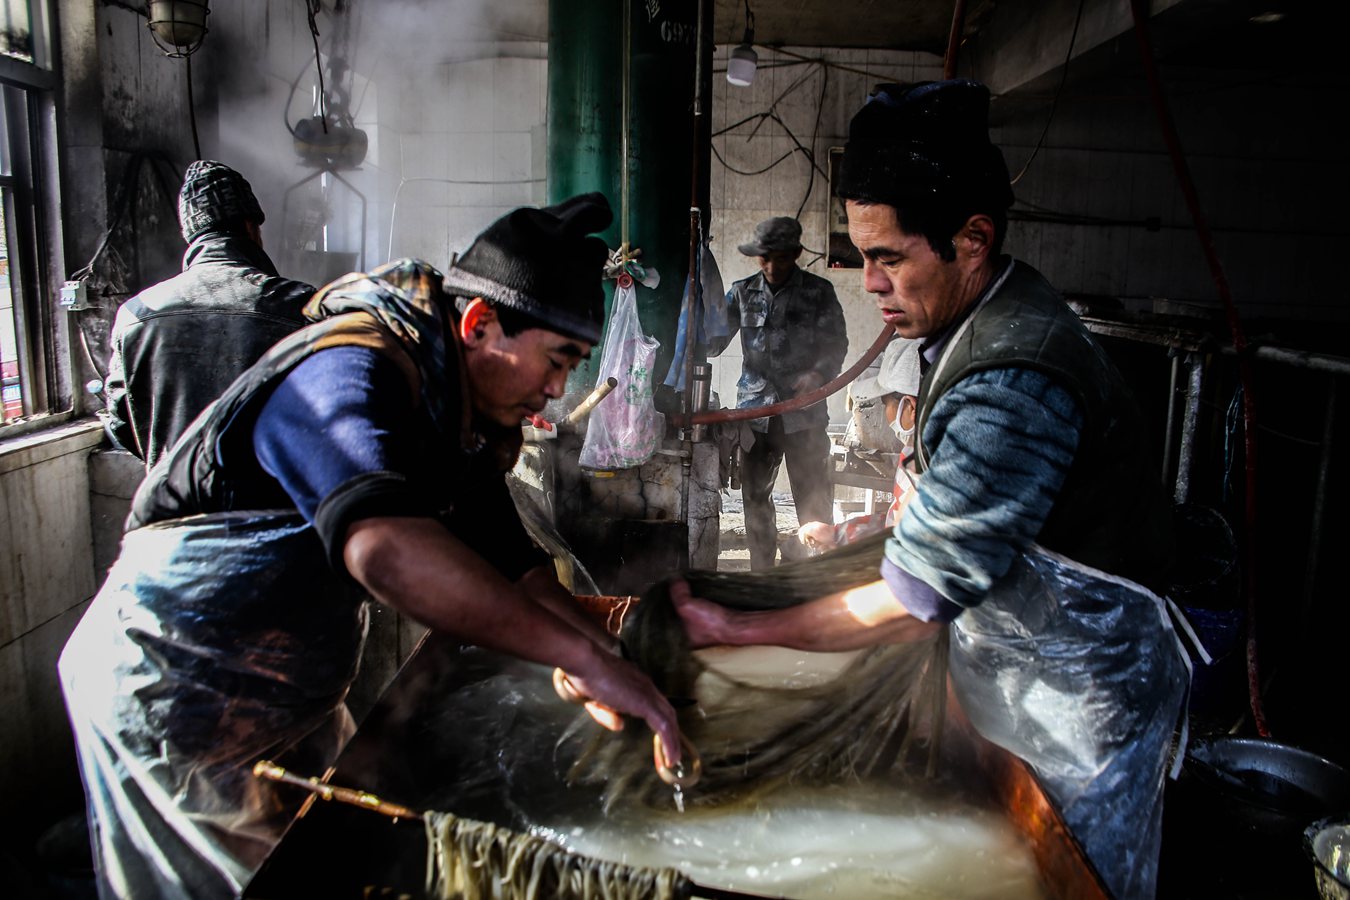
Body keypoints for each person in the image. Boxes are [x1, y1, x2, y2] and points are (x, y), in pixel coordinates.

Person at [60, 194, 683, 900]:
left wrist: (618, 665)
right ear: (479, 324)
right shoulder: (349, 372)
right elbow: (382, 548)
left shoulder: (456, 416)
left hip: (290, 697)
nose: (557, 389)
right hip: (174, 694)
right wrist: (574, 656)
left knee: (338, 866)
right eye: (556, 360)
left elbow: (523, 574)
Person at [675, 80, 1186, 899]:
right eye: (860, 253)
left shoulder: (1014, 375)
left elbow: (917, 597)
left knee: (1068, 876)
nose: (870, 282)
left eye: (888, 257)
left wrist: (735, 626)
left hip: (1078, 707)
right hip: (1014, 668)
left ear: (972, 238)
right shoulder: (978, 320)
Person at [104, 159, 316, 468]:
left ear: (191, 237)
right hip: (274, 508)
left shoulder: (135, 314)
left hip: (175, 507)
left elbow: (122, 425)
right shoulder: (300, 305)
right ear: (251, 228)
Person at [710, 216, 848, 569]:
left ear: (797, 254)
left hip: (806, 415)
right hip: (756, 416)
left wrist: (817, 374)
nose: (772, 266)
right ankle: (762, 576)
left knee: (813, 501)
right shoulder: (741, 293)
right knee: (755, 500)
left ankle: (811, 578)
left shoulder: (818, 292)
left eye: (781, 258)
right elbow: (711, 344)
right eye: (765, 258)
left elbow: (837, 344)